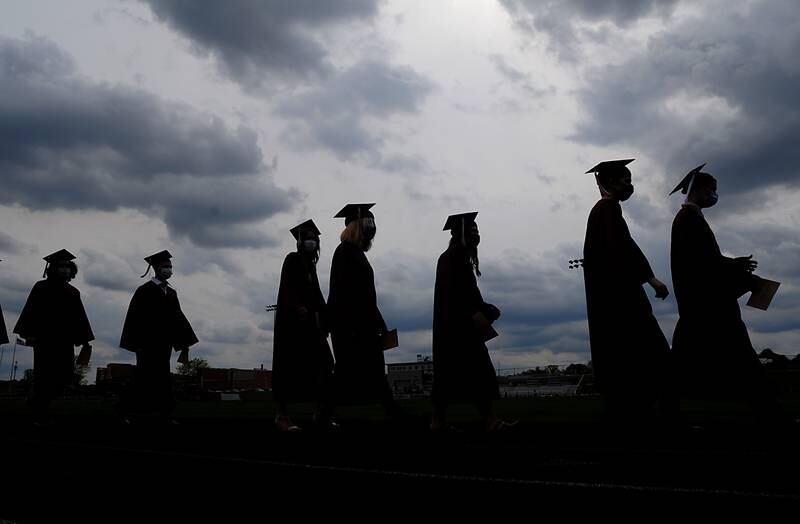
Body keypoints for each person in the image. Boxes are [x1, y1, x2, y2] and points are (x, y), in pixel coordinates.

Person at [669, 164, 779, 418]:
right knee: (744, 359)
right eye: (712, 189)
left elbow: (708, 259)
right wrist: (739, 272)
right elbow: (705, 263)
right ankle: (770, 414)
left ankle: (667, 412)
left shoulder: (690, 218)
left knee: (681, 364)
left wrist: (735, 264)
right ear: (700, 189)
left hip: (699, 306)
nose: (715, 195)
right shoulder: (689, 219)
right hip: (709, 305)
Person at [582, 159, 672, 420]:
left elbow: (625, 246)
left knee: (626, 362)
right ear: (608, 182)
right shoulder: (607, 210)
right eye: (625, 180)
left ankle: (633, 416)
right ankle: (664, 418)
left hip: (613, 301)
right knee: (655, 357)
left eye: (630, 179)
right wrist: (650, 279)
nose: (629, 185)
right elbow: (621, 250)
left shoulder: (605, 210)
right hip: (622, 301)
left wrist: (649, 277)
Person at [431, 212, 514, 432]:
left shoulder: (451, 257)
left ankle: (439, 421)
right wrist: (487, 310)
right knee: (479, 374)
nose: (476, 233)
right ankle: (489, 421)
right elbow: (466, 295)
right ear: (461, 234)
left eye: (477, 230)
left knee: (448, 379)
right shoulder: (456, 258)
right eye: (472, 230)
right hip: (460, 330)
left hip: (452, 330)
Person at [327, 203, 400, 419]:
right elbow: (346, 293)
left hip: (362, 324)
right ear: (355, 226)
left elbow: (367, 295)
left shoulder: (356, 253)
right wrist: (354, 325)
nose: (372, 227)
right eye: (368, 222)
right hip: (352, 326)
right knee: (348, 373)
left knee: (370, 372)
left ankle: (391, 411)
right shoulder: (345, 253)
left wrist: (379, 322)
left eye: (373, 223)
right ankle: (324, 414)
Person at [13, 249, 94, 424]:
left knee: (64, 376)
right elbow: (31, 311)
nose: (64, 269)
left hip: (64, 341)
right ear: (52, 268)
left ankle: (35, 400)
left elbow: (79, 317)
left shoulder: (73, 292)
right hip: (44, 340)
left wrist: (84, 339)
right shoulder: (40, 287)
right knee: (44, 376)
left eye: (67, 266)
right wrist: (29, 333)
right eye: (60, 266)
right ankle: (39, 411)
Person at [271, 219, 336, 432]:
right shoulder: (292, 260)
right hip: (293, 327)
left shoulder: (311, 267)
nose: (311, 242)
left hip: (312, 326)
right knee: (288, 369)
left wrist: (326, 317)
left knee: (326, 365)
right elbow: (287, 288)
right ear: (299, 242)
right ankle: (282, 415)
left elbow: (317, 297)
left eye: (314, 239)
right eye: (307, 239)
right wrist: (298, 307)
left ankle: (321, 413)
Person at [119, 250, 198, 424]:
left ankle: (164, 413)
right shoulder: (144, 291)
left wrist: (184, 343)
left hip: (164, 344)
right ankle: (132, 412)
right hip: (146, 344)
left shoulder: (171, 293)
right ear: (155, 268)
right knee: (144, 377)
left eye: (169, 266)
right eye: (164, 266)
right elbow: (134, 317)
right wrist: (135, 343)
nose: (168, 270)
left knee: (163, 378)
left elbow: (178, 318)